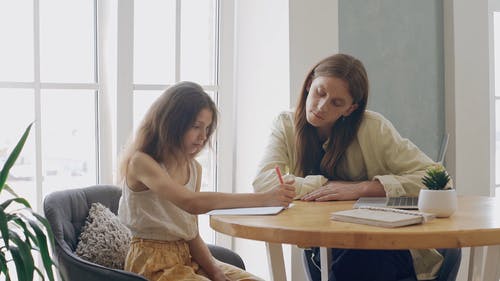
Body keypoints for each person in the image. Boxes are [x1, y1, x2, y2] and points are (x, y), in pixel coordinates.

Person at [252, 54, 444, 281]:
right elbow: (264, 181)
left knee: (362, 253)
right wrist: (326, 185)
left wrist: (362, 188)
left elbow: (438, 178)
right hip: (324, 252)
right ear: (308, 85)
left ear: (350, 109)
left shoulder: (373, 128)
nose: (321, 106)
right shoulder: (285, 125)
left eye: (337, 102)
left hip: (383, 251)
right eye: (320, 92)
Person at [118, 81, 295, 281]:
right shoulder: (142, 162)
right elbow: (191, 202)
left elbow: (191, 234)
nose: (203, 137)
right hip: (152, 263)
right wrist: (263, 199)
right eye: (196, 127)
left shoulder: (194, 169)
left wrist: (215, 271)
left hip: (188, 258)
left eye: (207, 128)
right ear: (171, 123)